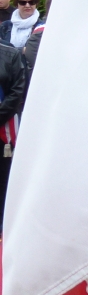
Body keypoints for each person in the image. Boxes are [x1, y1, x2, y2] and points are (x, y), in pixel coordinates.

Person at [0, 38, 26, 231]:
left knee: (3, 181)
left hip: (3, 131)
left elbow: (17, 92)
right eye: (23, 2)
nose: (27, 4)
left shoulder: (10, 54)